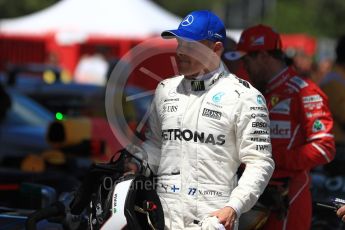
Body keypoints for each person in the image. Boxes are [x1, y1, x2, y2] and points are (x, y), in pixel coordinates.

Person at [140, 11, 274, 230]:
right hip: (162, 216)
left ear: (216, 49)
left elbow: (260, 162)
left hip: (213, 218)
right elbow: (155, 145)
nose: (180, 51)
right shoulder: (165, 90)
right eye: (179, 42)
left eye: (190, 45)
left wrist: (234, 206)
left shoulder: (246, 96)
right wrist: (134, 165)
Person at [225, 24, 335, 230]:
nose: (243, 66)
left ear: (264, 55)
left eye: (247, 59)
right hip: (253, 194)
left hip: (288, 195)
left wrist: (269, 158)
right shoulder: (252, 93)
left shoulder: (303, 92)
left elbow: (325, 148)